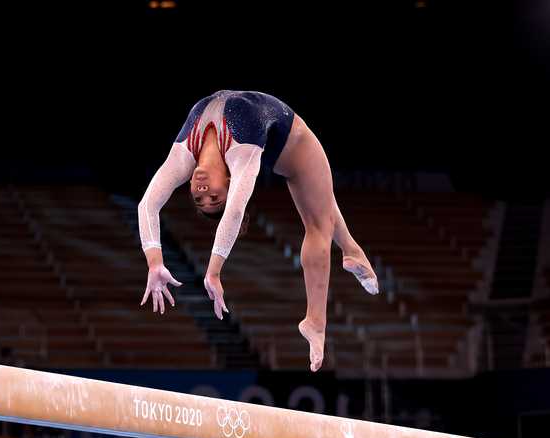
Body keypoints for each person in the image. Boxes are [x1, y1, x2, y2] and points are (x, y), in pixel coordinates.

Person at [138, 90, 379, 371]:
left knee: (323, 207)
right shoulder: (242, 154)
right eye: (214, 198)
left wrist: (155, 263)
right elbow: (235, 211)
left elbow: (147, 205)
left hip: (281, 142)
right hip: (298, 151)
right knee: (318, 226)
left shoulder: (184, 154)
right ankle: (316, 322)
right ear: (230, 180)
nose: (203, 194)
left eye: (199, 199)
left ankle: (351, 250)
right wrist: (213, 272)